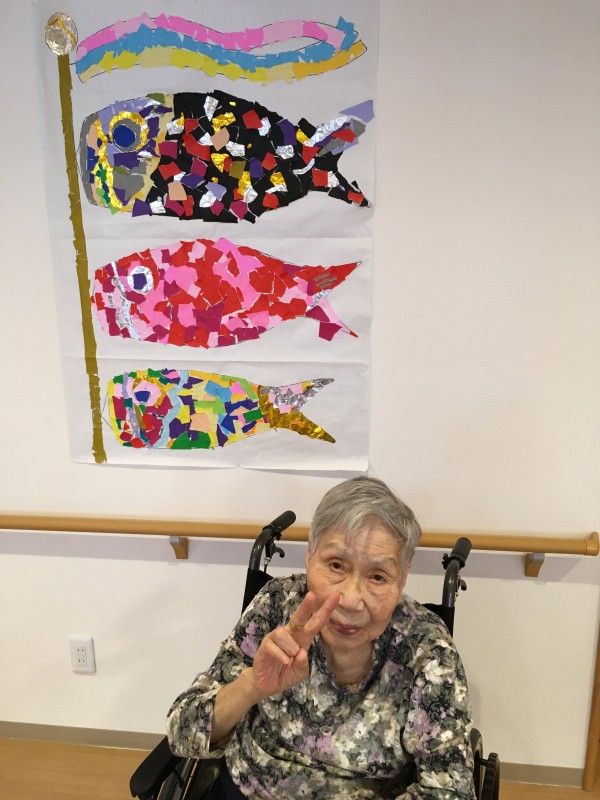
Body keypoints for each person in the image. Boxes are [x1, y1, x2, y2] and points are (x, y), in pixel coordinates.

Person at [166, 476, 476, 799]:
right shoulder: (277, 605)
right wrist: (249, 687)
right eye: (336, 565)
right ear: (310, 554)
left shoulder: (427, 650)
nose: (350, 600)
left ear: (403, 576)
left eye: (377, 576)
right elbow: (181, 731)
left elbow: (450, 790)